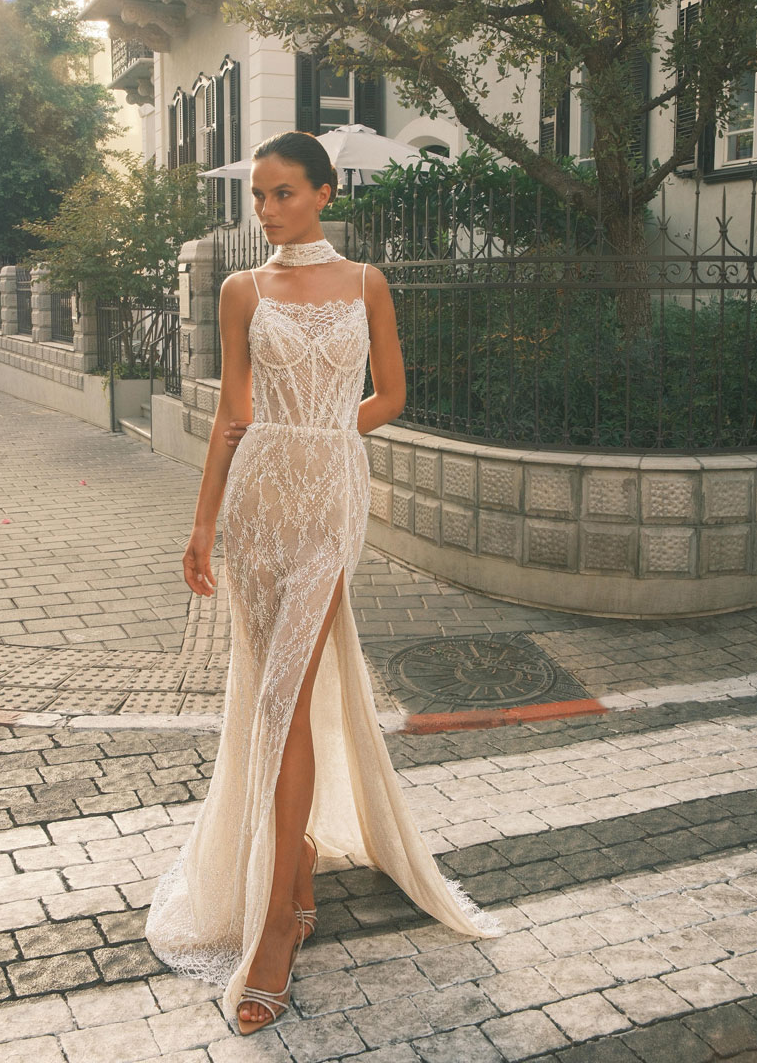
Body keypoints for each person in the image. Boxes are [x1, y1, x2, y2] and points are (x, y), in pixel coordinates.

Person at [145, 130, 500, 1035]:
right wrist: (200, 522)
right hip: (258, 501)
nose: (265, 210)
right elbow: (231, 414)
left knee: (284, 695)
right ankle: (291, 861)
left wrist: (329, 431)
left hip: (330, 499)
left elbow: (392, 394)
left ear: (325, 193)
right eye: (257, 196)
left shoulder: (366, 282)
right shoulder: (240, 291)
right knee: (274, 701)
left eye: (282, 193)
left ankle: (275, 924)